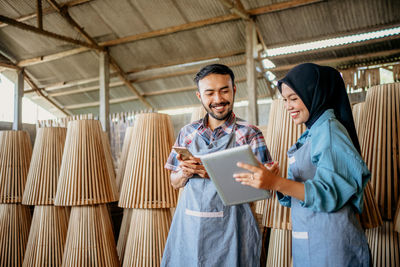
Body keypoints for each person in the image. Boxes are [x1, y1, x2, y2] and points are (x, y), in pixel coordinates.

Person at [234, 63, 371, 267]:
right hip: (311, 242)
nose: (288, 106)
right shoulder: (311, 134)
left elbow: (330, 193)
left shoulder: (330, 133)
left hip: (333, 247)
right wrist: (271, 181)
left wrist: (277, 183)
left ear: (314, 95)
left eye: (294, 98)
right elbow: (301, 195)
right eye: (285, 100)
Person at [161, 64, 272, 267]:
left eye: (224, 90)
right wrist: (184, 173)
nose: (218, 100)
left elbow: (266, 186)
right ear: (199, 96)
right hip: (189, 229)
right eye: (210, 93)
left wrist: (213, 171)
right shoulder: (187, 133)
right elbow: (174, 182)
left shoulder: (249, 133)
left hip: (233, 230)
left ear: (234, 90)